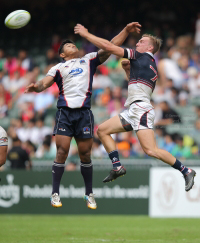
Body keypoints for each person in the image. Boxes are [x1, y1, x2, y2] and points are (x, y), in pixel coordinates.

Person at [25, 22, 142, 209]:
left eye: (74, 44)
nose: (73, 46)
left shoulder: (88, 59)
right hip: (64, 113)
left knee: (85, 155)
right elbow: (43, 84)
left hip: (84, 114)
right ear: (62, 54)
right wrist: (36, 87)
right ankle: (55, 193)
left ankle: (89, 193)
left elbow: (110, 46)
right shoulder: (57, 68)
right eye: (68, 46)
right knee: (62, 152)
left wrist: (126, 31)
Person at [74, 24, 196, 192]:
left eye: (142, 41)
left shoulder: (142, 56)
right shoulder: (148, 63)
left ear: (150, 47)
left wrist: (86, 34)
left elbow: (109, 47)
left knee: (151, 150)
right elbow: (137, 86)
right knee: (102, 130)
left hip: (140, 109)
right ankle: (117, 167)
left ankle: (186, 170)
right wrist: (128, 72)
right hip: (134, 109)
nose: (138, 43)